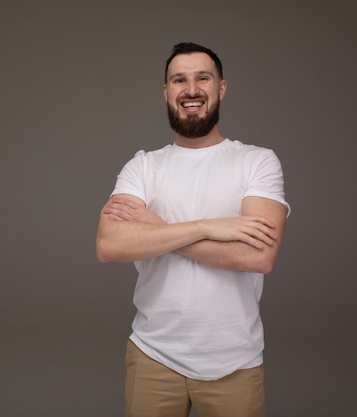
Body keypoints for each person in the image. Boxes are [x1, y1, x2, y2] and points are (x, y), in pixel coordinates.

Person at [96, 42, 290, 417]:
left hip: (234, 361)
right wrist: (210, 227)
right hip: (153, 356)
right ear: (166, 92)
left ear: (221, 88)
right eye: (179, 80)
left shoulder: (257, 162)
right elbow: (109, 244)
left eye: (203, 78)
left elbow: (259, 256)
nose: (191, 89)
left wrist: (157, 229)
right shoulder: (142, 167)